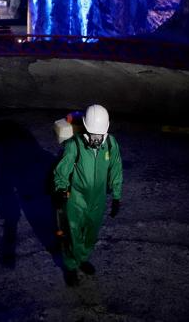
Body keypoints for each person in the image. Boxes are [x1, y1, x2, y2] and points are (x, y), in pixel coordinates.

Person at [53, 104, 123, 286]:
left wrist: (116, 196)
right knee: (73, 234)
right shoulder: (74, 145)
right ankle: (70, 266)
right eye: (93, 135)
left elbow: (116, 168)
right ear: (85, 128)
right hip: (77, 200)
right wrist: (61, 189)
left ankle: (82, 259)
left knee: (91, 234)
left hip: (98, 200)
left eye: (99, 136)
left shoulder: (110, 144)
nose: (96, 140)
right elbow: (62, 171)